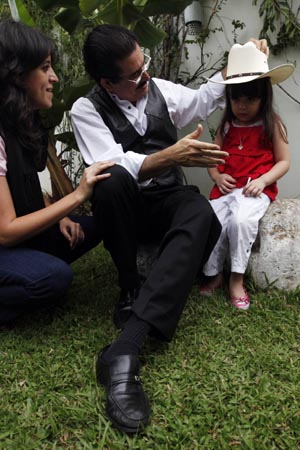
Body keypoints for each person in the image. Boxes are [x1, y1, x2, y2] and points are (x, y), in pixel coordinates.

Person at [71, 24, 268, 433]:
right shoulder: (85, 110)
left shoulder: (157, 89)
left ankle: (127, 345)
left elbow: (200, 100)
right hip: (126, 207)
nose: (146, 78)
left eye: (145, 67)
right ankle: (130, 287)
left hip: (163, 200)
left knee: (201, 212)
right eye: (135, 75)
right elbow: (112, 164)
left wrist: (241, 60)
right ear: (108, 82)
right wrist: (171, 155)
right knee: (109, 182)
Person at [0, 19, 114, 324]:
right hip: (5, 242)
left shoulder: (21, 123)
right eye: (45, 67)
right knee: (54, 278)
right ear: (17, 74)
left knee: (92, 227)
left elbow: (27, 192)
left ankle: (31, 264)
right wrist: (77, 197)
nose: (55, 78)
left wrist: (60, 215)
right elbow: (6, 230)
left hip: (17, 241)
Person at [200, 41, 294, 310]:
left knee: (241, 221)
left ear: (263, 97)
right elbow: (212, 158)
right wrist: (217, 176)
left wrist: (265, 180)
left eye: (250, 99)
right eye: (236, 98)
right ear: (228, 98)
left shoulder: (271, 124)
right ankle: (213, 272)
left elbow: (284, 161)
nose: (242, 105)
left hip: (256, 189)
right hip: (226, 189)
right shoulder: (226, 126)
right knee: (212, 221)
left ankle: (236, 279)